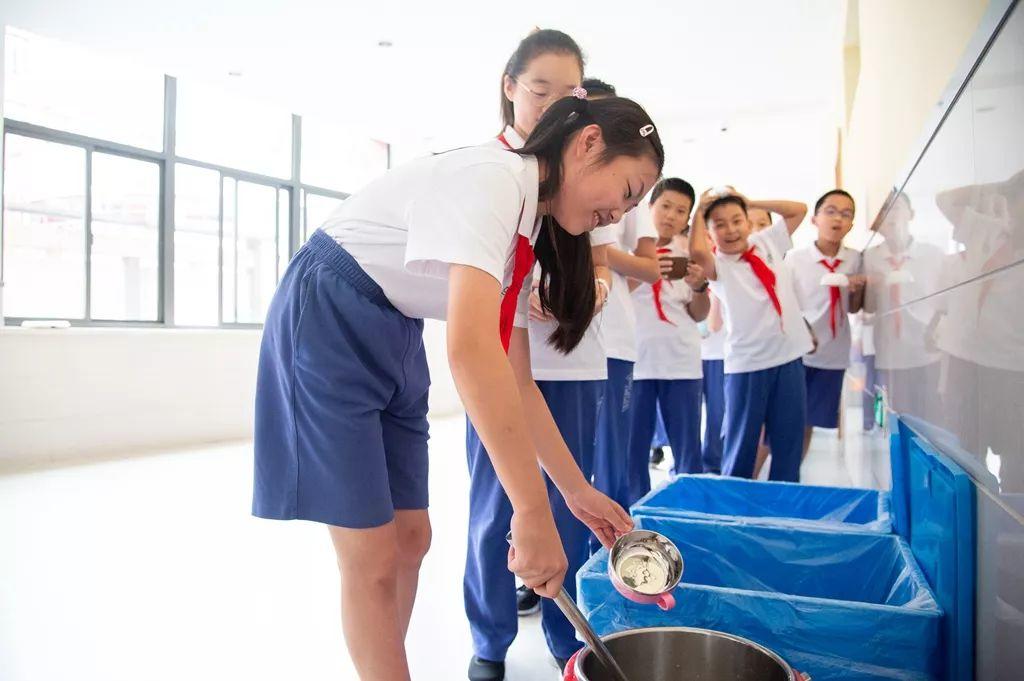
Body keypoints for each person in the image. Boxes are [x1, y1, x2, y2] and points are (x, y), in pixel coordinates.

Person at [252, 90, 661, 680]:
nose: (620, 217)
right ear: (589, 144)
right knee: (369, 555)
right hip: (330, 314)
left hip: (394, 326)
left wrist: (573, 492)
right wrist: (530, 511)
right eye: (627, 192)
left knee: (411, 537)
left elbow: (514, 376)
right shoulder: (493, 180)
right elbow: (471, 353)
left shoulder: (527, 228)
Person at [463, 35, 622, 678]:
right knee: (492, 504)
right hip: (504, 366)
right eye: (541, 90)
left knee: (569, 504)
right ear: (510, 87)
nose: (558, 107)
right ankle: (488, 640)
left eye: (571, 95)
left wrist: (584, 298)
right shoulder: (494, 175)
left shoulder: (588, 179)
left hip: (572, 363)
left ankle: (566, 636)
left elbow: (602, 262)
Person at [688, 187, 812, 482]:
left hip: (789, 357)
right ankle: (734, 512)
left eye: (736, 220)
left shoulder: (766, 241)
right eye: (719, 224)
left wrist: (750, 201)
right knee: (740, 446)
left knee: (788, 445)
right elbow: (696, 253)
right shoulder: (718, 264)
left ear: (747, 221)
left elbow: (799, 209)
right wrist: (698, 214)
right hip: (748, 366)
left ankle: (783, 513)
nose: (730, 230)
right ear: (710, 233)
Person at [627, 178, 710, 503]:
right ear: (650, 207)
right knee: (633, 450)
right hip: (636, 362)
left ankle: (688, 509)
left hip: (682, 362)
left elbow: (699, 314)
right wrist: (646, 270)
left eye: (681, 211)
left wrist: (700, 286)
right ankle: (634, 517)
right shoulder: (626, 247)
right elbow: (615, 298)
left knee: (688, 448)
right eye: (665, 206)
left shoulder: (689, 254)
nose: (671, 216)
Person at [786, 189, 866, 458]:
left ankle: (789, 479)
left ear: (852, 224)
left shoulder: (855, 260)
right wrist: (803, 333)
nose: (838, 219)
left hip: (833, 354)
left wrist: (855, 290)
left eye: (846, 214)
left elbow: (853, 309)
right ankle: (753, 483)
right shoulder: (796, 259)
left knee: (807, 423)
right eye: (830, 211)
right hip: (796, 352)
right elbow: (786, 306)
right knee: (780, 422)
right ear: (815, 219)